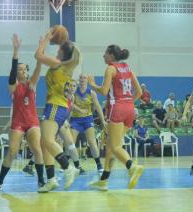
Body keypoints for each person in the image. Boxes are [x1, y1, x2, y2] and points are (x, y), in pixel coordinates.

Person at [88, 44, 144, 191]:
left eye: (105, 53)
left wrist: (92, 84)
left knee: (115, 146)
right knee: (111, 146)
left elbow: (104, 90)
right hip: (130, 109)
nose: (103, 56)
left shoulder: (111, 68)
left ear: (112, 55)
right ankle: (104, 180)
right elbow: (139, 92)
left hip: (117, 109)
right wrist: (128, 102)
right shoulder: (128, 68)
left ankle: (132, 167)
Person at [0, 34, 44, 191]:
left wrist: (41, 49)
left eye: (24, 69)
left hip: (32, 122)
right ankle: (0, 180)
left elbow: (38, 68)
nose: (22, 71)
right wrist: (16, 50)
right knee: (12, 152)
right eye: (19, 69)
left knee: (37, 149)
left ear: (27, 72)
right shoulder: (13, 86)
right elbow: (12, 72)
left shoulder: (32, 84)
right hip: (18, 123)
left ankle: (41, 180)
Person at [35, 29, 80, 193]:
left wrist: (45, 40)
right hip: (59, 107)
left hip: (55, 105)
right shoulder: (66, 67)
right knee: (44, 143)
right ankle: (51, 179)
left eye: (59, 48)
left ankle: (69, 168)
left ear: (62, 52)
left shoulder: (57, 63)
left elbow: (38, 56)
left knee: (47, 140)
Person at [69, 73, 106, 173]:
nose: (82, 79)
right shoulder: (73, 91)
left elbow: (98, 107)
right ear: (78, 80)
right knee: (70, 143)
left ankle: (99, 164)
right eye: (80, 78)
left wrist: (103, 121)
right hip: (75, 119)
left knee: (92, 142)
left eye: (84, 78)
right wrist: (79, 110)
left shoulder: (91, 93)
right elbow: (70, 104)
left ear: (87, 80)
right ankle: (72, 165)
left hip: (87, 119)